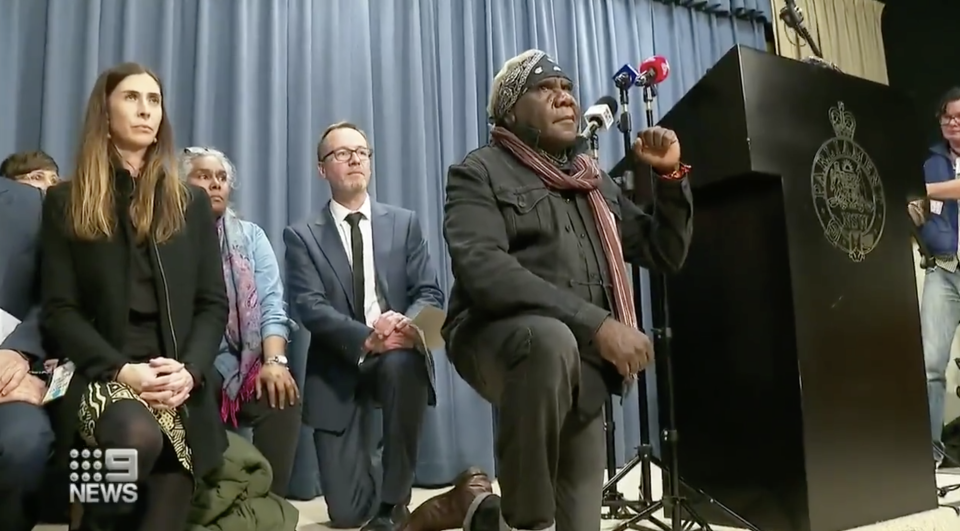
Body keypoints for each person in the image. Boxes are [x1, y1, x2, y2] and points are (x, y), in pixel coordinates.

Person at [434, 50, 693, 531]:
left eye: (568, 88)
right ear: (510, 110)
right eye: (545, 88)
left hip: (582, 370)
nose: (565, 98)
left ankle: (472, 509)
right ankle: (526, 523)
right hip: (498, 340)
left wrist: (670, 178)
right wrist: (598, 325)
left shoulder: (593, 183)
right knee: (550, 340)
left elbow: (664, 253)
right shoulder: (479, 171)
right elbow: (484, 269)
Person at [40, 62, 229, 531]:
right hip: (101, 371)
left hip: (175, 380)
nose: (146, 110)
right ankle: (89, 517)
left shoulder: (191, 203)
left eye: (154, 100)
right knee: (134, 440)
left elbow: (213, 303)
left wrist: (190, 370)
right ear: (104, 115)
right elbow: (60, 310)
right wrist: (123, 370)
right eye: (131, 98)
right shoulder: (66, 201)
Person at [284, 121, 446, 531]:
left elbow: (430, 291)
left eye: (362, 151)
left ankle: (395, 501)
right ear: (322, 169)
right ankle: (447, 500)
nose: (355, 158)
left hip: (396, 356)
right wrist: (367, 338)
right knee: (348, 515)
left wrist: (403, 325)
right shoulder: (302, 235)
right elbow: (310, 307)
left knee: (403, 364)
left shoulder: (403, 223)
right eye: (341, 153)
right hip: (340, 364)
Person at [180, 145, 301, 496]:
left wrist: (275, 362)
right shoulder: (166, 233)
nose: (216, 185)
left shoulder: (250, 236)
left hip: (241, 362)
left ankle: (267, 505)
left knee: (283, 396)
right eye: (203, 176)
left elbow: (271, 306)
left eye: (221, 178)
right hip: (188, 361)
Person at [0, 176, 54, 531]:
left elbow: (56, 297)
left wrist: (21, 352)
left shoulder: (31, 204)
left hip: (8, 372)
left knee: (24, 444)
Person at [917, 86, 960, 466]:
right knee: (931, 363)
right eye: (947, 116)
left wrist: (923, 192)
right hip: (944, 271)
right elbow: (920, 210)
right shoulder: (931, 160)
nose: (953, 123)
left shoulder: (930, 178)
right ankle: (931, 453)